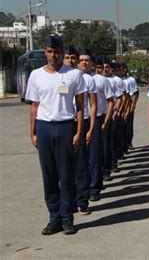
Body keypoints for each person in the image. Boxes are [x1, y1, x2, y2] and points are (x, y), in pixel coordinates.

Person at [26, 35, 86, 235]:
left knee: (66, 175)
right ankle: (54, 218)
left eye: (57, 52)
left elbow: (80, 107)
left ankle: (67, 218)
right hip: (44, 127)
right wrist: (33, 132)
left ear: (63, 53)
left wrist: (78, 132)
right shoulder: (36, 75)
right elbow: (34, 107)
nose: (53, 55)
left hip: (66, 127)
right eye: (50, 52)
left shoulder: (73, 75)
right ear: (46, 52)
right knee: (49, 175)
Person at [74, 48, 98, 212]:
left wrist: (91, 128)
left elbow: (93, 104)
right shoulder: (67, 77)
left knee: (82, 163)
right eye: (81, 60)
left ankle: (82, 201)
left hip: (85, 121)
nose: (84, 62)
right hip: (68, 122)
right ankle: (70, 199)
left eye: (87, 60)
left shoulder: (90, 80)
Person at [91, 56, 114, 194]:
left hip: (100, 116)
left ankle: (95, 185)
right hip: (79, 119)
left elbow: (111, 100)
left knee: (97, 153)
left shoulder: (101, 80)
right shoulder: (75, 77)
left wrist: (106, 121)